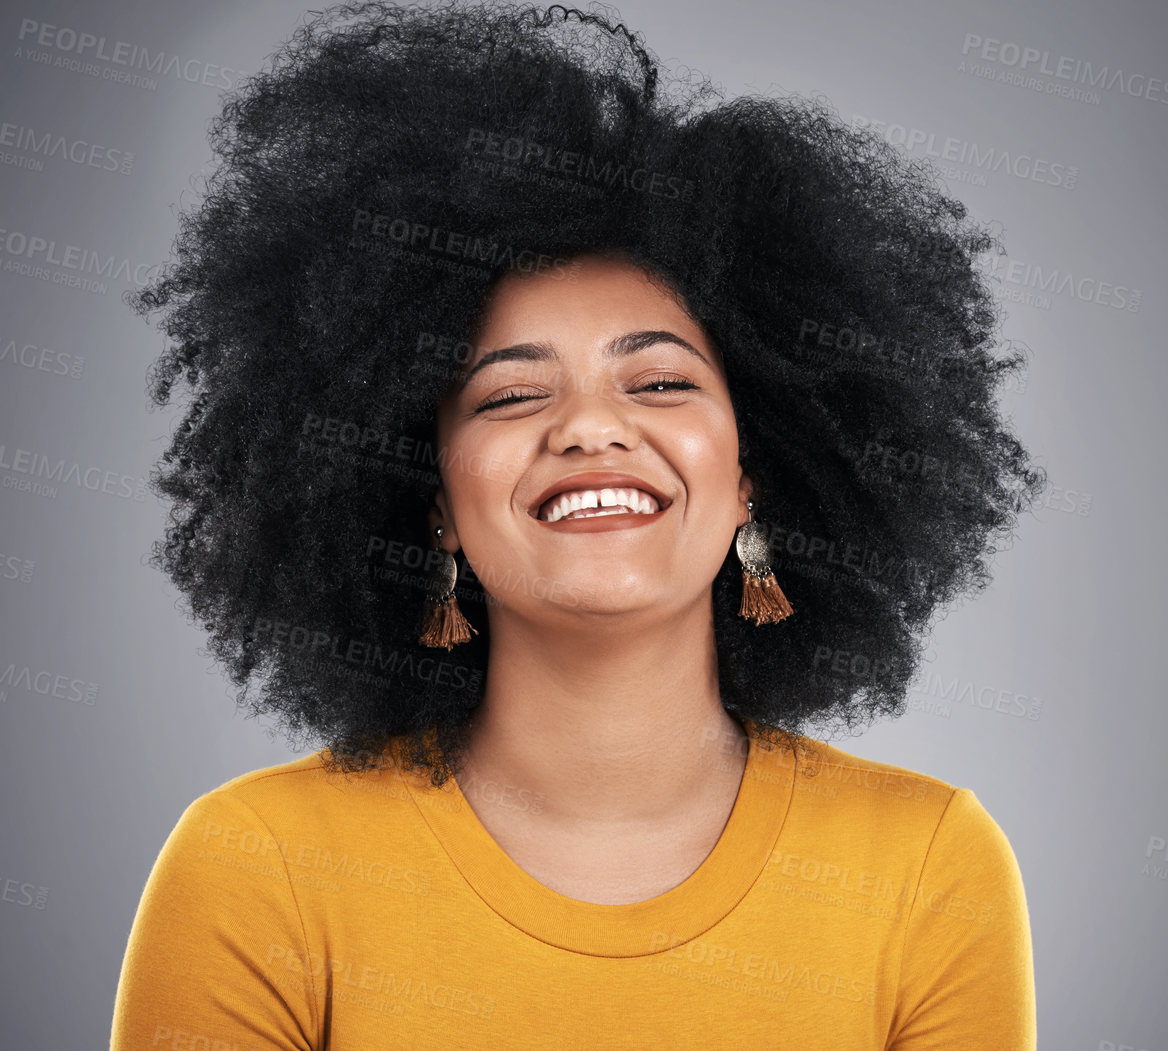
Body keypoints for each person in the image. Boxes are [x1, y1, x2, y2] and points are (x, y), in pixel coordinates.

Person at [109, 3, 1043, 1047]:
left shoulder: (926, 865)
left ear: (751, 479)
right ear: (436, 505)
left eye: (657, 380)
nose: (592, 427)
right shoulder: (259, 866)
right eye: (510, 396)